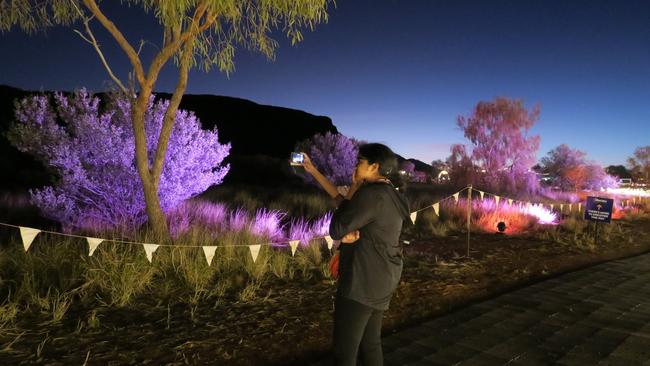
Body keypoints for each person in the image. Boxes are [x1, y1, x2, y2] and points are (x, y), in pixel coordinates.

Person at [300, 143, 411, 366]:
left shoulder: (371, 194)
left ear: (374, 166)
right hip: (383, 277)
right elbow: (345, 205)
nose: (356, 165)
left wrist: (353, 189)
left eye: (360, 161)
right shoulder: (392, 194)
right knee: (370, 344)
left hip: (361, 282)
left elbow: (337, 228)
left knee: (345, 352)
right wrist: (313, 171)